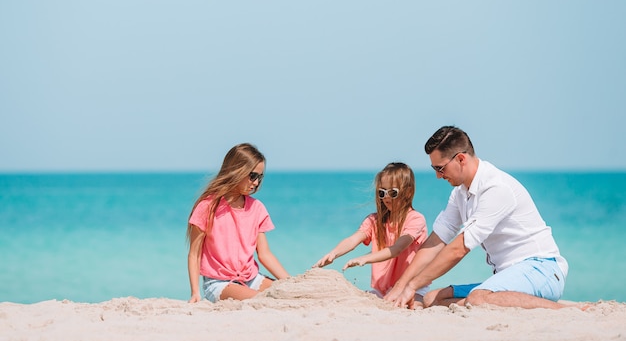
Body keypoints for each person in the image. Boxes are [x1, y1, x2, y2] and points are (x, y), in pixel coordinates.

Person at [384, 126, 570, 310]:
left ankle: (566, 311)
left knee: (478, 299)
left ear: (461, 159)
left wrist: (413, 285)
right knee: (432, 298)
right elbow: (436, 240)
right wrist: (401, 286)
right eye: (434, 168)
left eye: (440, 168)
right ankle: (507, 301)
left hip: (542, 270)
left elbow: (459, 249)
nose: (438, 176)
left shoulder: (495, 188)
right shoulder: (460, 193)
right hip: (509, 276)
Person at [186, 143, 289, 303]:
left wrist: (292, 283)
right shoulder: (207, 207)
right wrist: (195, 292)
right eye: (252, 176)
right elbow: (194, 254)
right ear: (236, 170)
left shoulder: (257, 208)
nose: (256, 183)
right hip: (219, 283)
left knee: (289, 295)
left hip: (252, 278)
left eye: (260, 177)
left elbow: (264, 254)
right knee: (264, 301)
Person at [313, 162, 429, 302]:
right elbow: (353, 240)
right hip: (383, 289)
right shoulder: (374, 220)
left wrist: (364, 258)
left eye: (392, 192)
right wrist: (334, 253)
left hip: (411, 285)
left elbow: (397, 248)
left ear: (408, 192)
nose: (386, 197)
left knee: (416, 305)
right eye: (382, 192)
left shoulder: (415, 219)